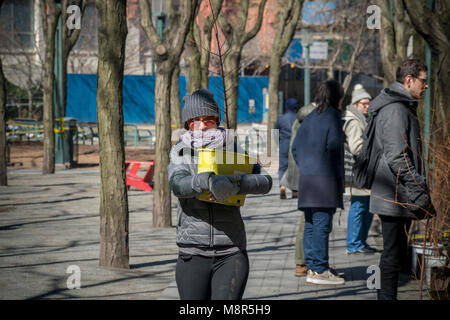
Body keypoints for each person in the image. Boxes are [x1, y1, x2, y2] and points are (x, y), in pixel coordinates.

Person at [168, 89, 272, 300]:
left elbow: (265, 181)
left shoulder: (233, 147)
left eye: (208, 119)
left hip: (232, 251)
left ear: (216, 120)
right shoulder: (181, 151)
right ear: (188, 124)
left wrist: (238, 184)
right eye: (196, 120)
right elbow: (178, 184)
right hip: (193, 252)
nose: (203, 125)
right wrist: (207, 181)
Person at [369, 59, 434, 300]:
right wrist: (418, 185)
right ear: (409, 80)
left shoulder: (399, 105)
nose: (425, 86)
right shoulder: (396, 109)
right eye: (423, 81)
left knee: (394, 255)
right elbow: (397, 156)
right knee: (391, 256)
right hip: (394, 193)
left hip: (396, 192)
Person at [292, 80, 345, 285]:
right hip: (325, 179)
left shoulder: (310, 117)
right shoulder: (333, 116)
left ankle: (314, 267)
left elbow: (295, 148)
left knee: (311, 224)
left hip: (307, 179)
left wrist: (307, 165)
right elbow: (335, 148)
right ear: (336, 97)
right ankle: (320, 270)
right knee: (321, 225)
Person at [280, 103, 317, 276]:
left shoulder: (301, 119)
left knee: (307, 220)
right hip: (308, 176)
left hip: (301, 175)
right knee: (308, 221)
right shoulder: (311, 119)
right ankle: (303, 262)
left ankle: (303, 262)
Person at [343, 84, 377, 255]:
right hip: (359, 171)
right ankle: (354, 244)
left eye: (368, 103)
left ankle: (359, 242)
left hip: (363, 171)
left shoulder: (362, 118)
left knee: (365, 207)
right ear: (355, 104)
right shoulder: (354, 121)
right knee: (359, 207)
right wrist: (374, 149)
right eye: (363, 103)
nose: (367, 106)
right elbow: (356, 148)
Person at [274, 98, 299, 199]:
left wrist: (278, 143)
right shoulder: (298, 118)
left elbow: (275, 132)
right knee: (295, 167)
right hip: (296, 145)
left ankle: (282, 186)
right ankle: (295, 191)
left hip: (284, 144)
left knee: (282, 167)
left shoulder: (281, 118)